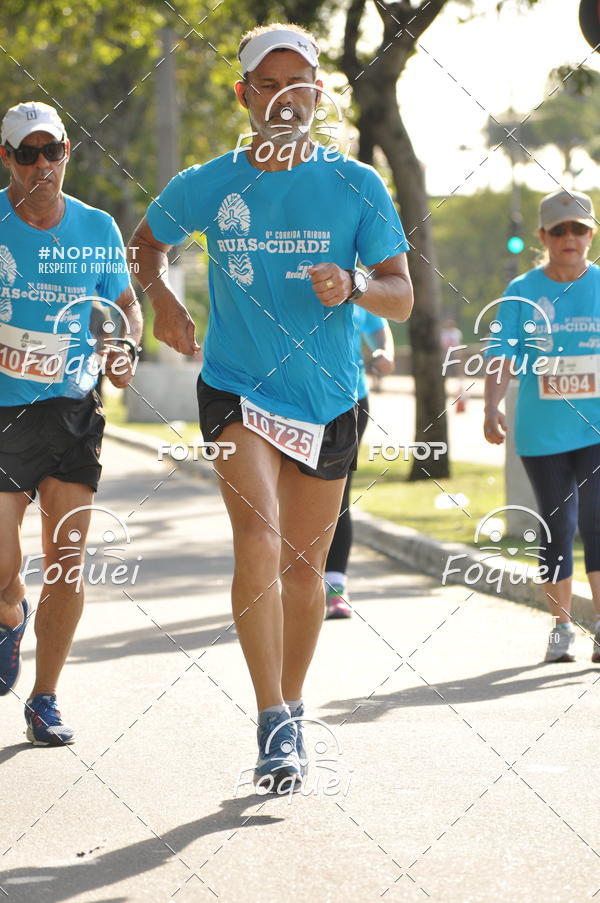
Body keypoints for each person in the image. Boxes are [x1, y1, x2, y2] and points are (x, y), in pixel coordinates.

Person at [129, 23, 413, 791]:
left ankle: (292, 706)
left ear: (318, 93)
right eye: (270, 83)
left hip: (327, 396)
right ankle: (270, 718)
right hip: (237, 386)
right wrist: (163, 302)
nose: (287, 98)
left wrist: (354, 284)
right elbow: (145, 242)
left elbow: (402, 295)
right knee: (257, 536)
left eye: (301, 84)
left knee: (304, 569)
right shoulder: (209, 182)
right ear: (244, 94)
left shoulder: (357, 184)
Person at [0, 101, 142, 744]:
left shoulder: (96, 227)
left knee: (66, 561)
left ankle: (45, 699)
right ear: (6, 158)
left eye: (51, 151)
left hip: (71, 407)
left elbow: (123, 305)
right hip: (3, 410)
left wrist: (123, 345)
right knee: (2, 565)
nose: (42, 165)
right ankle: (10, 613)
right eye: (27, 154)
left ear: (66, 153)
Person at [483, 188, 600, 664]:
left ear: (591, 234)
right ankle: (561, 629)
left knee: (597, 521)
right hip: (542, 432)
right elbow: (500, 354)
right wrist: (491, 406)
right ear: (543, 236)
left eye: (579, 229)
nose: (569, 237)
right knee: (557, 525)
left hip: (596, 428)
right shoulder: (522, 291)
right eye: (559, 230)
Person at [324, 310, 395, 618]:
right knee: (288, 491)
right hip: (289, 402)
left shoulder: (356, 286)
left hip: (348, 401)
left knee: (338, 493)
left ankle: (335, 586)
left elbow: (378, 325)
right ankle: (294, 581)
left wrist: (384, 352)